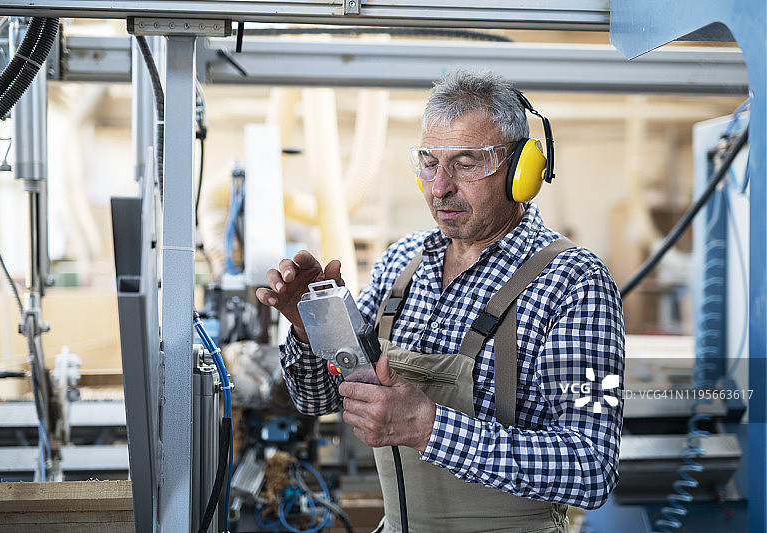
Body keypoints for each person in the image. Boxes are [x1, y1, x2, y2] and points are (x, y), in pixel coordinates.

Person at [256, 70, 625, 533]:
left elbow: (591, 469)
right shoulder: (401, 265)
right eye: (430, 163)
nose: (440, 187)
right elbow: (319, 399)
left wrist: (431, 429)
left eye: (466, 164)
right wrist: (314, 330)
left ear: (520, 172)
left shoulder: (574, 283)